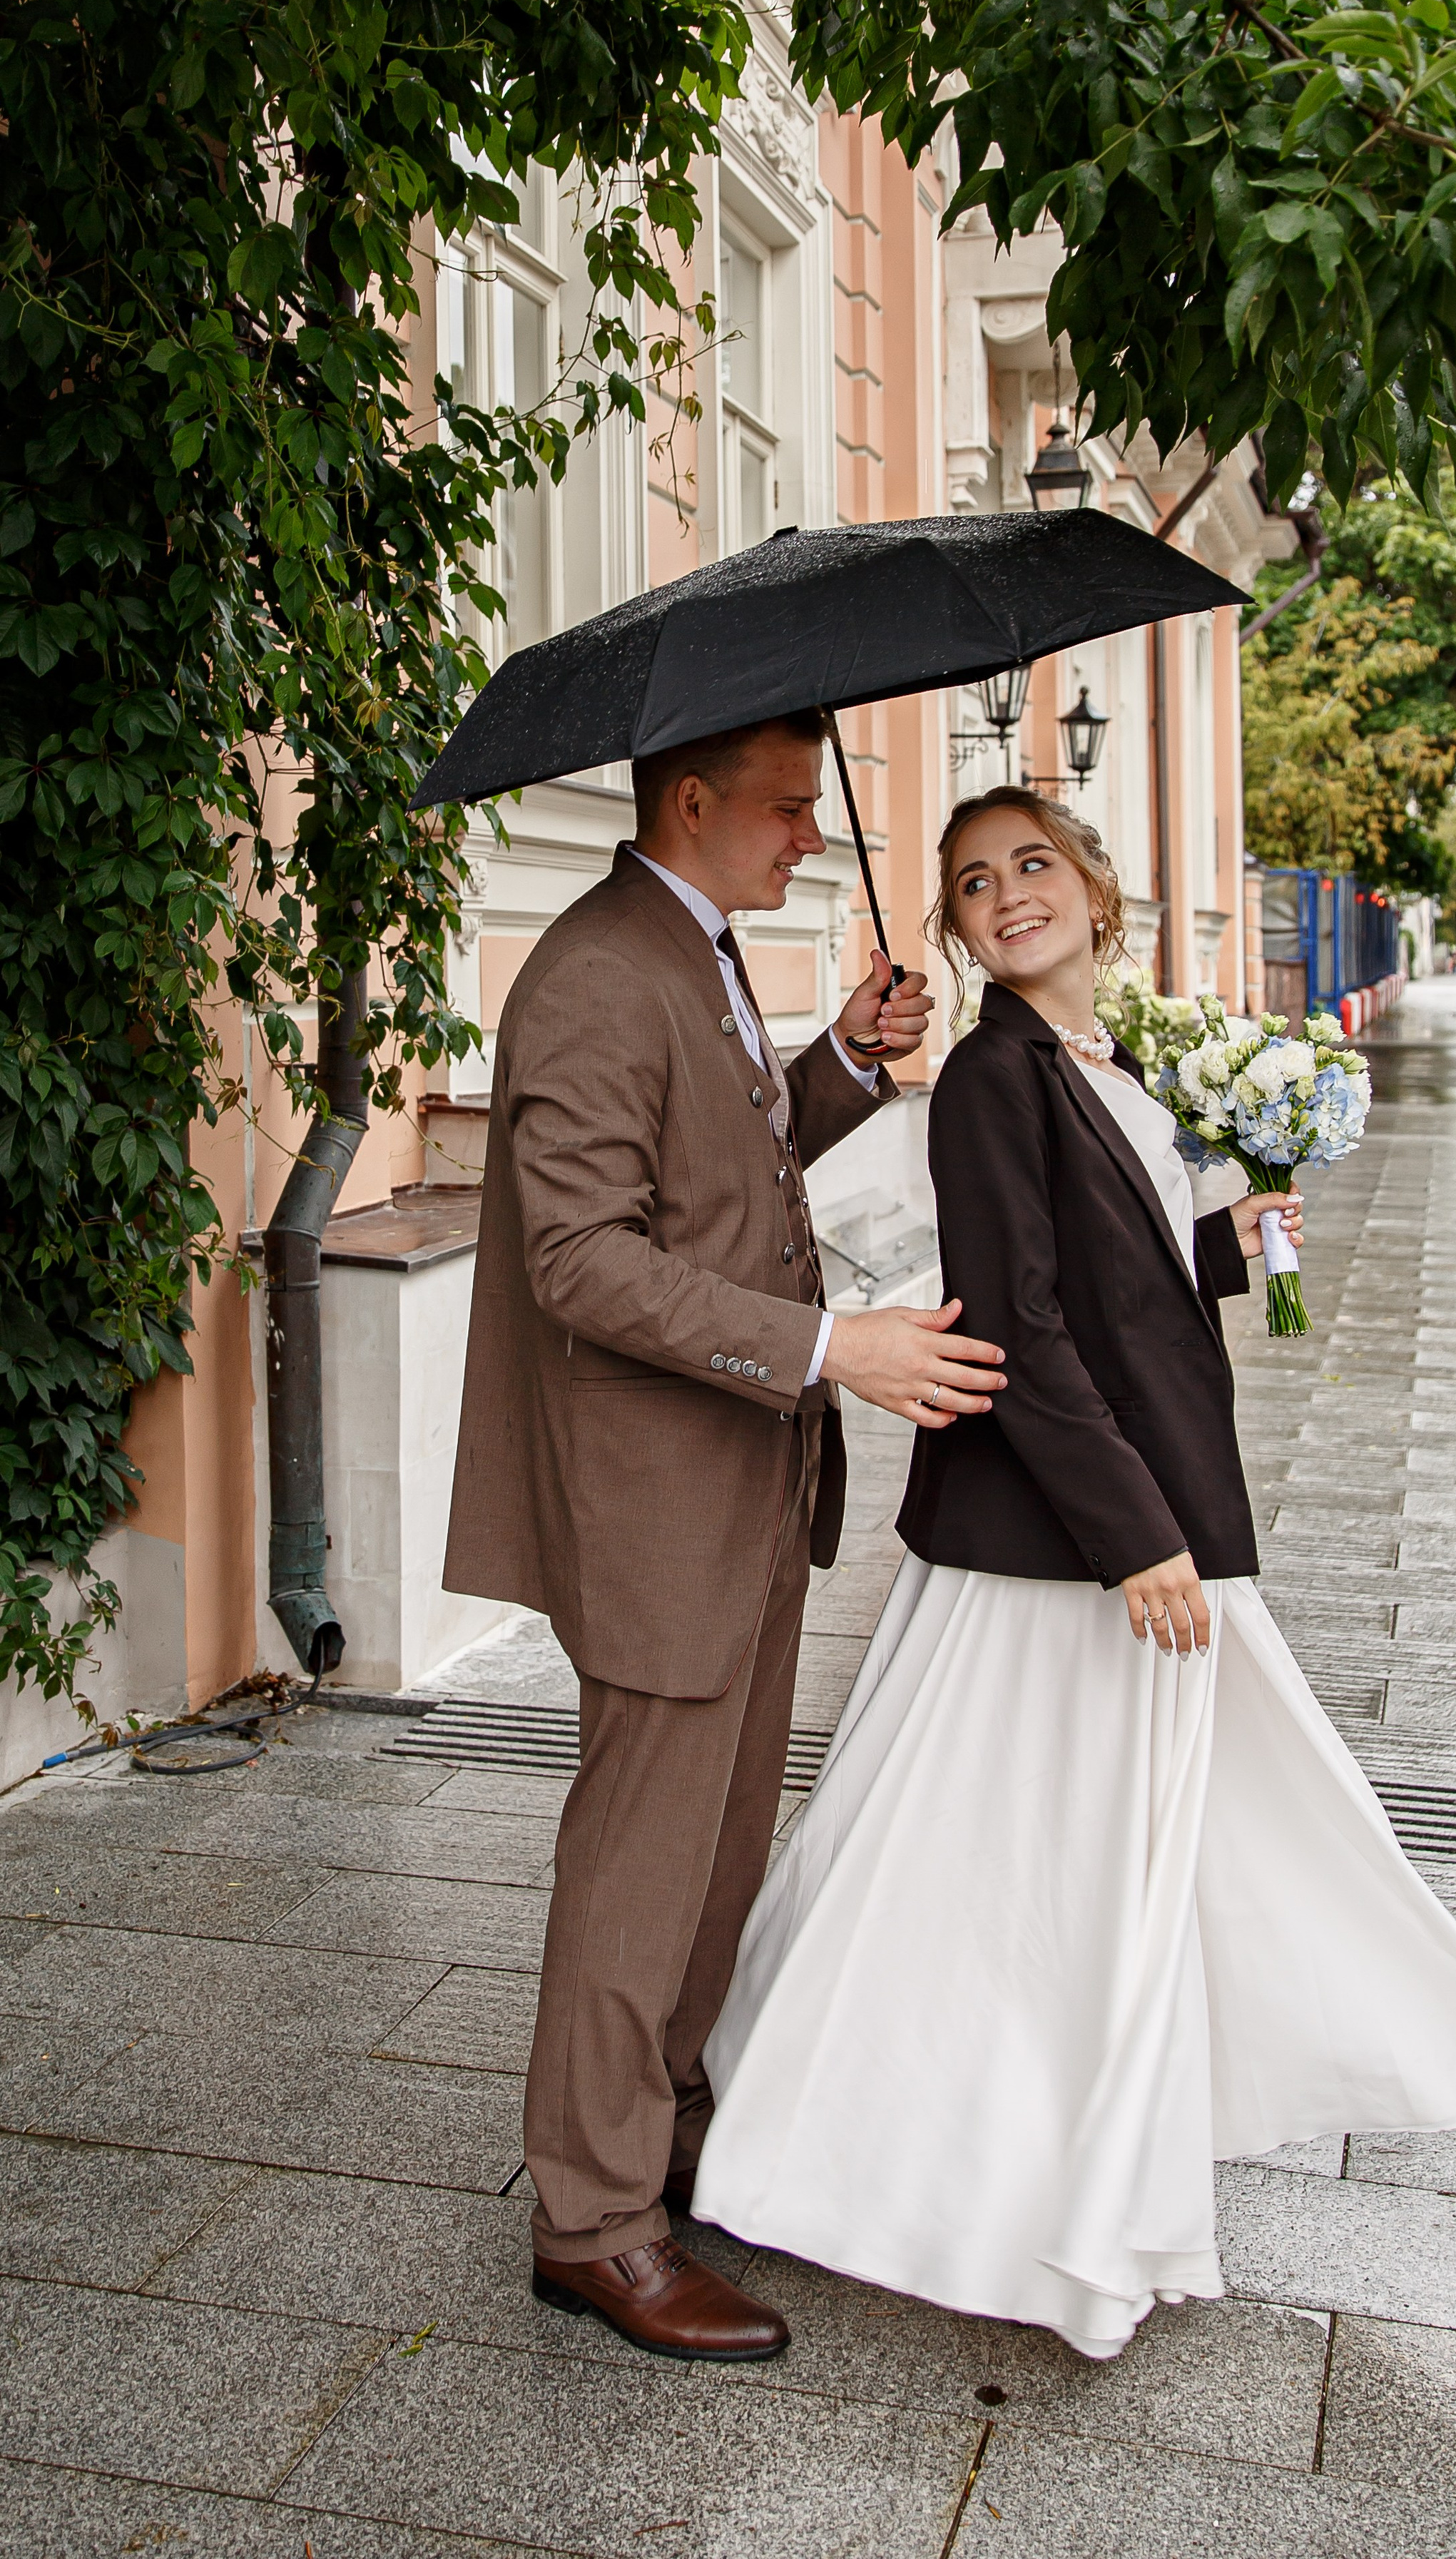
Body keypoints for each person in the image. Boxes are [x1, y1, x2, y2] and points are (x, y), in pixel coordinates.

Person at [693, 785, 1456, 2359]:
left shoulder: (1106, 1063)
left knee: (1085, 1849)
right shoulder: (987, 1079)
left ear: (1095, 894)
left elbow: (1137, 1273)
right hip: (1053, 1543)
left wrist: (1249, 1240)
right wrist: (1138, 1542)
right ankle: (978, 2164)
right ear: (960, 937)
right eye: (974, 885)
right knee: (1038, 1865)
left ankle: (1016, 2129)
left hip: (1126, 1497)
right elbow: (1020, 1323)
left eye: (1031, 864)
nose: (1006, 894)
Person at [442, 711, 1007, 2363]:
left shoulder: (687, 946)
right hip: (656, 1506)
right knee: (638, 1866)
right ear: (687, 803)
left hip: (746, 1484)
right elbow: (583, 1262)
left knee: (715, 1853)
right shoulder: (598, 972)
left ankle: (667, 2134)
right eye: (781, 810)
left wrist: (833, 1060)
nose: (806, 839)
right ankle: (592, 2226)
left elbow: (726, 1176)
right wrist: (837, 1351)